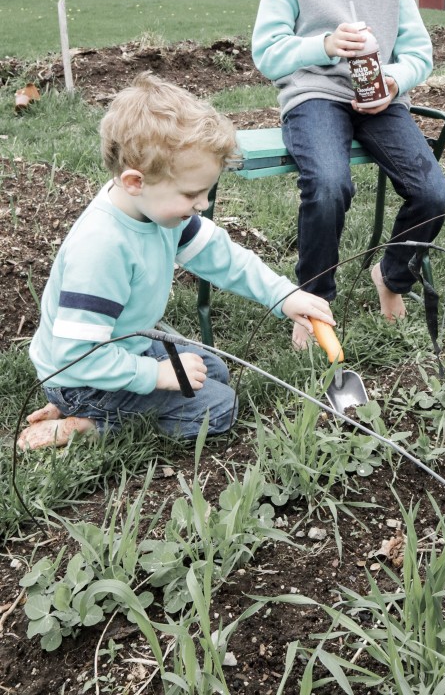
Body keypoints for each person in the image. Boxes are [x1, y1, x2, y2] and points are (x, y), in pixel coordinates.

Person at [18, 72, 333, 450]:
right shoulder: (101, 249)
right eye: (192, 194)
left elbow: (222, 256)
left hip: (119, 348)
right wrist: (155, 373)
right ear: (135, 181)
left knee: (212, 371)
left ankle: (90, 408)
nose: (202, 205)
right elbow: (78, 357)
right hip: (80, 374)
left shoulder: (155, 210)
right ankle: (87, 423)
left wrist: (284, 296)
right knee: (219, 407)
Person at [252, 0, 445, 351]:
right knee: (329, 184)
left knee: (432, 192)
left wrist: (392, 82)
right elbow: (267, 54)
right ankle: (312, 302)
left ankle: (392, 275)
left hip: (377, 100)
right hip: (314, 96)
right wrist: (320, 44)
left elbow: (418, 51)